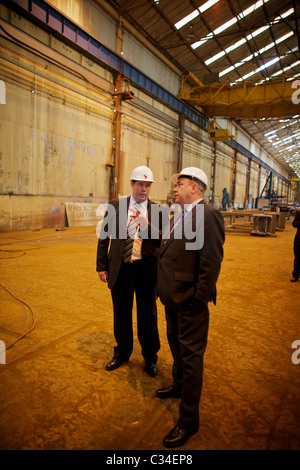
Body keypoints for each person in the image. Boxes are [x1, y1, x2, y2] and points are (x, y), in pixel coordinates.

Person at [156, 167, 225, 448]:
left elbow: (211, 261)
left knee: (192, 356)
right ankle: (178, 385)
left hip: (190, 301)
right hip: (173, 298)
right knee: (176, 346)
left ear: (195, 187)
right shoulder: (179, 215)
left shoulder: (208, 215)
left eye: (180, 184)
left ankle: (188, 421)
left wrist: (198, 297)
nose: (174, 188)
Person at [96, 166, 161, 377]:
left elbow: (162, 240)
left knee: (147, 317)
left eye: (148, 185)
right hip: (121, 269)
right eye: (140, 184)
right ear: (132, 185)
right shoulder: (115, 206)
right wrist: (101, 266)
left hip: (145, 271)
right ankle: (122, 353)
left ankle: (150, 358)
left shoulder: (157, 210)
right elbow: (104, 237)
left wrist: (148, 224)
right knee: (121, 315)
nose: (144, 189)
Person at [291, 207, 300, 282]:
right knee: (298, 259)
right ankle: (295, 275)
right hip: (299, 241)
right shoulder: (299, 212)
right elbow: (294, 223)